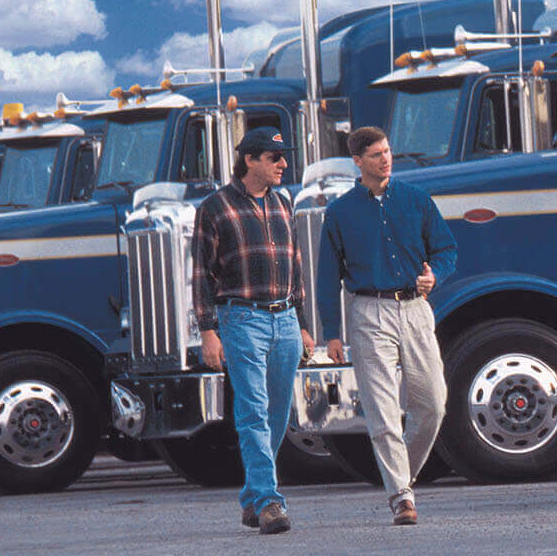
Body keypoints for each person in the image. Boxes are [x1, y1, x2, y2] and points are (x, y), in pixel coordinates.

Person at [318, 125, 457, 526]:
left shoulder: (416, 200)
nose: (386, 158)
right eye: (376, 154)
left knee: (433, 403)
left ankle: (401, 478)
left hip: (415, 309)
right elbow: (327, 277)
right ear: (358, 162)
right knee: (382, 410)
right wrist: (332, 333)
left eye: (388, 151)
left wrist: (437, 276)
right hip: (368, 311)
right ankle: (400, 496)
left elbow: (447, 249)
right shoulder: (340, 212)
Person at [192, 127, 315, 535]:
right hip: (241, 320)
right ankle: (269, 503)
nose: (283, 164)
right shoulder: (214, 207)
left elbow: (294, 268)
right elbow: (202, 276)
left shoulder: (284, 203)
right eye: (273, 157)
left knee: (279, 415)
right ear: (249, 160)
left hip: (284, 320)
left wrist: (302, 324)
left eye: (283, 157)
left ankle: (252, 496)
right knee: (253, 413)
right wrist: (209, 332)